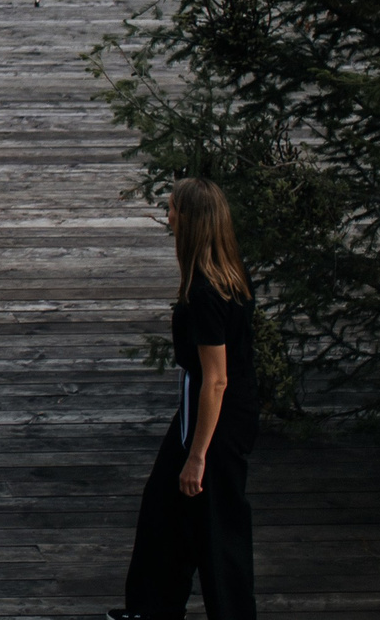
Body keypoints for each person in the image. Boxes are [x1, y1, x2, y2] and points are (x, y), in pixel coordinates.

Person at [112, 179, 261, 620]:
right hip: (203, 414)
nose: (169, 216)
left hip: (216, 423)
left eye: (173, 208)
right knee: (163, 509)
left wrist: (197, 456)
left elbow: (216, 380)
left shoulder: (205, 293)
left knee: (218, 528)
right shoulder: (227, 275)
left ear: (191, 219)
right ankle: (151, 608)